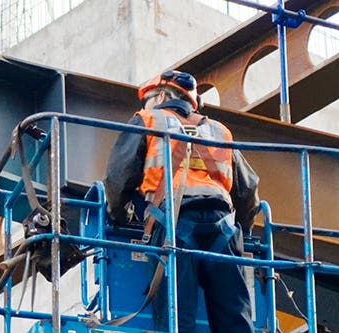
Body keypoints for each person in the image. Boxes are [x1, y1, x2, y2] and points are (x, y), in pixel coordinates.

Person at [104, 70, 260, 332]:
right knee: (235, 319)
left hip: (175, 225)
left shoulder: (148, 119)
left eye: (148, 100)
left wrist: (118, 215)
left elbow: (118, 177)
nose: (145, 107)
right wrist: (244, 232)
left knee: (177, 319)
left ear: (162, 95)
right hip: (224, 228)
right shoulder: (220, 131)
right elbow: (247, 190)